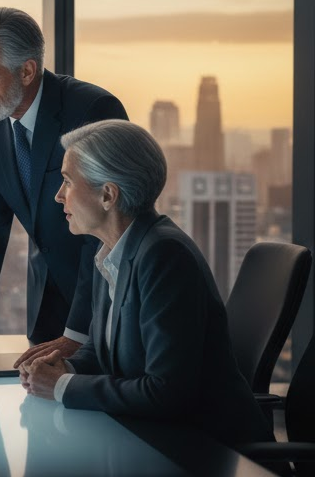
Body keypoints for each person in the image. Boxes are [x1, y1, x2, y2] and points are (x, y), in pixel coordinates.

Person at [20, 119, 271, 447]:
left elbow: (166, 392)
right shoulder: (112, 249)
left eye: (67, 181)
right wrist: (64, 365)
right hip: (154, 440)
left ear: (108, 195)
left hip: (208, 455)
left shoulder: (164, 256)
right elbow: (103, 347)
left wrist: (61, 386)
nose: (58, 196)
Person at [0, 7, 128, 365]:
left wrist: (77, 333)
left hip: (104, 308)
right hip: (45, 306)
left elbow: (104, 231)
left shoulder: (92, 110)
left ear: (27, 70)